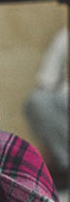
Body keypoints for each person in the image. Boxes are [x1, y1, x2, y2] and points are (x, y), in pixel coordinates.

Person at [24, 28, 69, 177]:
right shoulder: (65, 36)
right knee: (37, 101)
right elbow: (45, 82)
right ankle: (63, 166)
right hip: (64, 108)